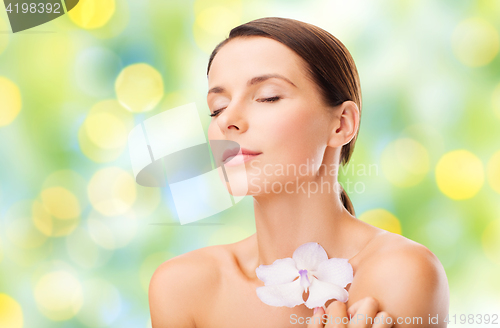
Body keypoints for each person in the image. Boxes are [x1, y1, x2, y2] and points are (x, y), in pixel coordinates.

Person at [149, 17, 449, 328]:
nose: (227, 121)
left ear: (342, 123)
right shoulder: (183, 287)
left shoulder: (401, 273)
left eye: (268, 97)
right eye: (218, 107)